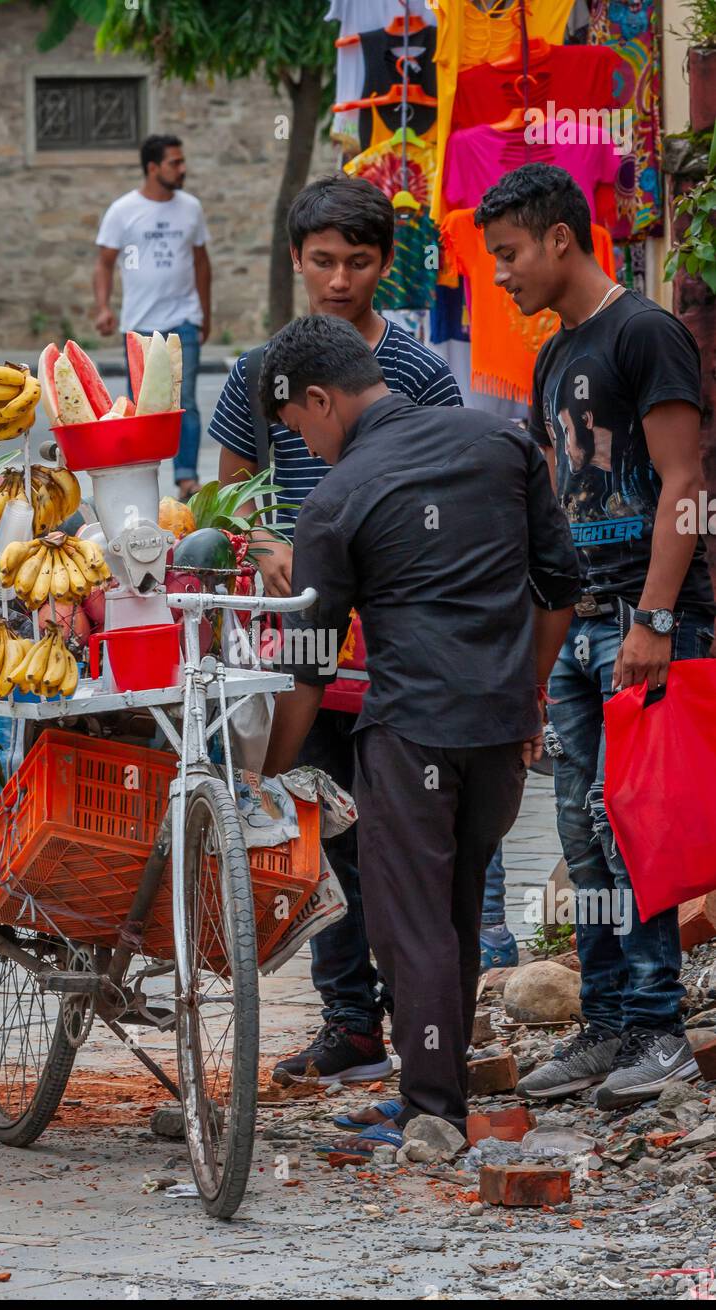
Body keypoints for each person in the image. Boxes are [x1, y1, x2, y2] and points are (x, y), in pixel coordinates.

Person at [260, 314, 580, 1144]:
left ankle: (434, 1112)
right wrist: (528, 696)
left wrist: (265, 771)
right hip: (500, 730)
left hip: (412, 735)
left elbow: (308, 666)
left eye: (301, 430)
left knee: (412, 924)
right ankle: (436, 1090)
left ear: (322, 399)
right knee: (456, 906)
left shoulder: (334, 502)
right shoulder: (502, 446)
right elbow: (559, 589)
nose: (311, 451)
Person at [208, 175, 463, 1087]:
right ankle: (349, 1021)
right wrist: (268, 541)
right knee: (318, 827)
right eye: (323, 261)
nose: (340, 279)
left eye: (359, 262)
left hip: (400, 635)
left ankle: (427, 1028)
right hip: (303, 635)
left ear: (385, 267)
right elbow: (223, 500)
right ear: (295, 261)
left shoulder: (423, 373)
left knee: (404, 830)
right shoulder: (257, 371)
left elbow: (452, 492)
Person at [474, 164, 715, 1107]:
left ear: (562, 238)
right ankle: (609, 1024)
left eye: (509, 254)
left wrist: (655, 620)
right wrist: (541, 655)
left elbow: (687, 488)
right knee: (584, 831)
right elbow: (558, 514)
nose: (499, 275)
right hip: (578, 636)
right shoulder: (551, 357)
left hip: (646, 625)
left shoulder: (645, 333)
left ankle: (659, 1031)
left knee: (638, 833)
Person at [94, 134, 211, 498]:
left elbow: (202, 262)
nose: (182, 168)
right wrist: (103, 307)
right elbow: (104, 263)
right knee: (144, 407)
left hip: (184, 319)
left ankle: (187, 477)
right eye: (174, 162)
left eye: (182, 161)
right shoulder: (123, 210)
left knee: (185, 401)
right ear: (152, 167)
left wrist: (205, 313)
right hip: (140, 324)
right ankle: (145, 477)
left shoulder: (191, 207)